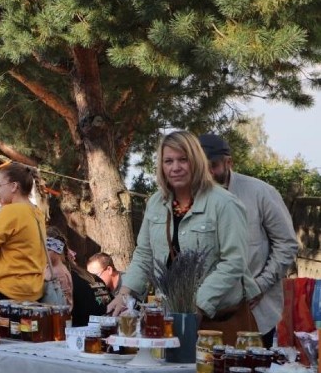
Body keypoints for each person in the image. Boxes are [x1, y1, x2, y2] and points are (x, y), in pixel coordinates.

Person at [107, 131, 261, 344]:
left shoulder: (225, 203)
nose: (175, 167)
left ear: (197, 161)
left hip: (219, 324)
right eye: (168, 161)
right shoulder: (155, 203)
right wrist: (124, 294)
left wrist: (197, 305)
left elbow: (234, 262)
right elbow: (144, 254)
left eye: (183, 160)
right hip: (170, 320)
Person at [199, 133, 299, 348]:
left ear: (229, 162)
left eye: (213, 165)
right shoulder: (189, 196)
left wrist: (260, 285)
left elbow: (287, 243)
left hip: (255, 310)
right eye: (201, 166)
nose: (208, 173)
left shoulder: (260, 192)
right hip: (204, 313)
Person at [0, 162, 47, 303]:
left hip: (8, 291)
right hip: (34, 291)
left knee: (4, 326)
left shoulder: (11, 211)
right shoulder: (37, 213)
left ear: (14, 186)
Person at [45, 227, 73, 307]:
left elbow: (64, 303)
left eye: (48, 249)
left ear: (56, 250)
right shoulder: (48, 268)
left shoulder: (59, 272)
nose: (44, 253)